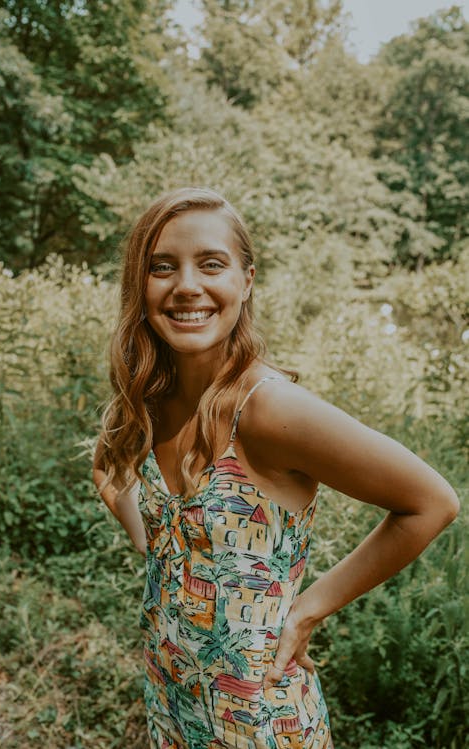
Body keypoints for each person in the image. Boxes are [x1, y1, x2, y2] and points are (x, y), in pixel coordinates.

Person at [92, 186, 459, 749]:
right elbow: (108, 469)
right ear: (140, 285)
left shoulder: (267, 409)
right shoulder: (152, 395)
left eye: (211, 264)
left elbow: (431, 502)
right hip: (172, 699)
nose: (186, 285)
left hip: (259, 720)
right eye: (162, 266)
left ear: (246, 280)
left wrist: (307, 610)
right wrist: (157, 542)